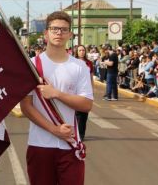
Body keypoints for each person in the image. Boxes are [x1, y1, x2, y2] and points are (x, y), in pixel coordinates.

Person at [20, 11, 93, 185]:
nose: (59, 33)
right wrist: (54, 130)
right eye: (54, 29)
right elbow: (26, 106)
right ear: (46, 33)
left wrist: (57, 94)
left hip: (70, 145)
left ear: (70, 34)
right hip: (40, 145)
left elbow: (86, 104)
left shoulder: (79, 66)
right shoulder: (31, 64)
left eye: (63, 29)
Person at [75, 45, 94, 141]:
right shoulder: (73, 62)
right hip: (75, 91)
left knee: (83, 114)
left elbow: (91, 77)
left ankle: (81, 134)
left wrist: (92, 90)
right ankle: (75, 133)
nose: (82, 52)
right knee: (75, 113)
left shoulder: (89, 63)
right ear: (76, 52)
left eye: (83, 50)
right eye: (80, 50)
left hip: (86, 91)